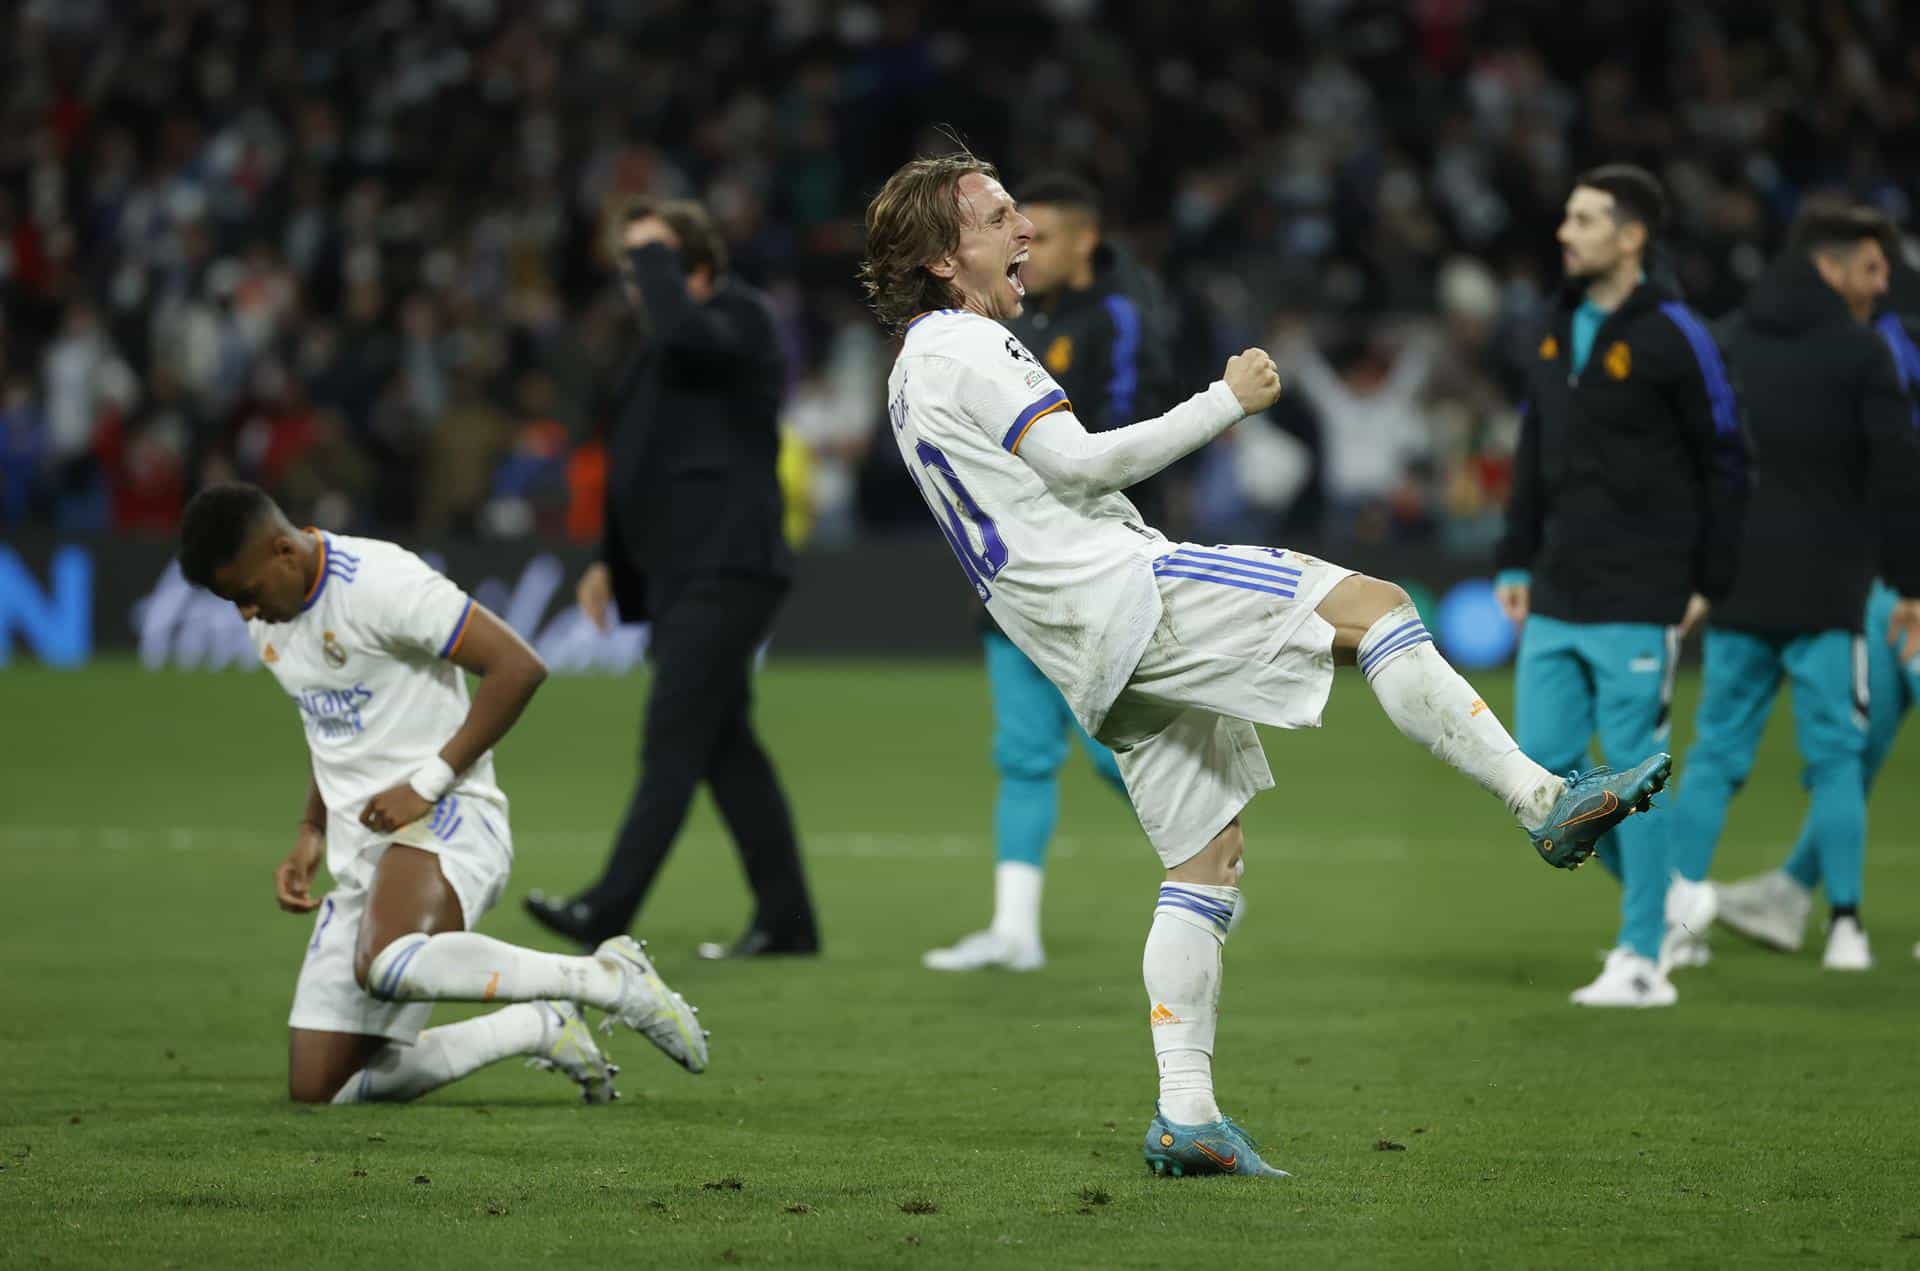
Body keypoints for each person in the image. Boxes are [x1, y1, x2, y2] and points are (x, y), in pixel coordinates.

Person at [860, 151, 1670, 1179]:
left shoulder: (908, 373)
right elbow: (1084, 461)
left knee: (1204, 864)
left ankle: (1185, 1111)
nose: (1027, 230)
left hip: (1069, 643)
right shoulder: (971, 344)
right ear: (941, 257)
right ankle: (1542, 798)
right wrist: (1226, 399)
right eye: (1002, 216)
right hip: (1126, 591)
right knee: (1376, 608)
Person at [176, 482, 708, 1105]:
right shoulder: (273, 620)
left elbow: (519, 666)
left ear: (283, 552)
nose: (245, 614)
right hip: (365, 850)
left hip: (449, 818)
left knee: (388, 961)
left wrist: (428, 783)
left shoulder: (381, 582)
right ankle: (538, 1025)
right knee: (324, 1087)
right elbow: (329, 729)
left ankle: (607, 978)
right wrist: (311, 831)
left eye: (246, 594)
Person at [523, 199, 820, 961]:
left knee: (672, 740)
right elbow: (639, 468)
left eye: (647, 262)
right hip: (688, 571)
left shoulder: (738, 317)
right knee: (726, 750)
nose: (633, 279)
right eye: (628, 266)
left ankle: (606, 906)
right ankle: (788, 920)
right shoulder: (662, 348)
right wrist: (609, 566)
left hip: (730, 566)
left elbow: (688, 332)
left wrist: (653, 257)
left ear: (694, 265)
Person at [1494, 165, 1752, 1008]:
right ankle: (1673, 896)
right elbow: (1534, 448)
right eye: (1565, 217)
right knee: (1547, 772)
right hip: (1559, 587)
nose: (1564, 232)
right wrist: (1514, 554)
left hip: (1641, 590)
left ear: (1631, 235)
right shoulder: (1555, 324)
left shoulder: (1680, 333)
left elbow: (1726, 459)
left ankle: (1643, 960)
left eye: (1583, 219)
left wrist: (1708, 581)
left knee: (1631, 771)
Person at [924, 173, 1172, 973]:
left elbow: (1122, 441)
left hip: (1090, 568)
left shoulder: (1117, 320)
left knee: (1115, 748)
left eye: (1047, 232)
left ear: (1089, 241)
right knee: (1023, 751)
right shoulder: (1009, 323)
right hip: (1014, 574)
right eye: (1016, 225)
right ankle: (1015, 928)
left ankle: (1211, 869)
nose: (1029, 240)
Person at [1709, 250, 1920, 963]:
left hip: (1875, 579)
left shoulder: (1869, 345)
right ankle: (1801, 897)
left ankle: (1800, 900)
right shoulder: (1870, 347)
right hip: (1881, 583)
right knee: (1849, 754)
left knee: (1842, 752)